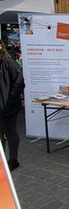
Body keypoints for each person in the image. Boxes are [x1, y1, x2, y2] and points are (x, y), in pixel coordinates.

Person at [0, 40, 25, 171]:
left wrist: (9, 100)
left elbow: (19, 83)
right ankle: (2, 161)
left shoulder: (9, 63)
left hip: (8, 107)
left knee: (10, 133)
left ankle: (13, 160)